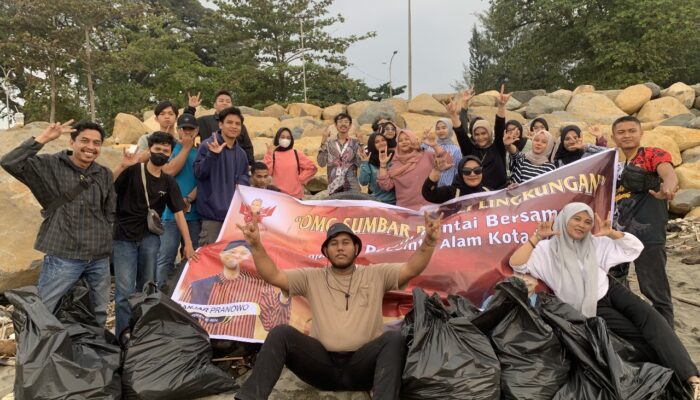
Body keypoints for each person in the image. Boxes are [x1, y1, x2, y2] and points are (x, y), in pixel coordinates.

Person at [233, 211, 443, 400]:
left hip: (363, 367)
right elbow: (273, 275)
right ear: (325, 251)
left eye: (345, 242)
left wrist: (429, 242)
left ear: (356, 248)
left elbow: (411, 269)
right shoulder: (311, 277)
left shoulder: (376, 274)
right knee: (280, 333)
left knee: (393, 339)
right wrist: (256, 246)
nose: (340, 248)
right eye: (333, 244)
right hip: (321, 367)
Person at [509, 203, 699, 397]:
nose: (582, 225)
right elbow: (517, 263)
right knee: (637, 338)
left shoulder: (594, 242)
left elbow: (634, 248)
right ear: (564, 219)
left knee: (654, 321)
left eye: (587, 222)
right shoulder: (545, 250)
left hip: (612, 290)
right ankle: (673, 377)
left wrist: (612, 234)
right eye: (576, 219)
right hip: (591, 306)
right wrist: (537, 237)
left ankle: (692, 379)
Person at [1, 120, 115, 326]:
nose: (90, 147)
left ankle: (95, 350)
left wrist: (106, 237)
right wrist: (43, 138)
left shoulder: (103, 173)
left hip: (98, 258)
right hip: (64, 255)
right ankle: (37, 353)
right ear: (72, 142)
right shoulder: (50, 165)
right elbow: (10, 162)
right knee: (44, 309)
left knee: (98, 311)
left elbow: (109, 210)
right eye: (85, 141)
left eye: (96, 143)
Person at [112, 132, 198, 338]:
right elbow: (109, 185)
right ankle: (123, 334)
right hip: (123, 237)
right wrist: (123, 165)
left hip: (149, 238)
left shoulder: (168, 182)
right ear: (149, 150)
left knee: (147, 286)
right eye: (157, 149)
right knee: (124, 290)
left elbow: (178, 213)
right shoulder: (133, 171)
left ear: (170, 154)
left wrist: (188, 243)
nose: (161, 153)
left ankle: (141, 332)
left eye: (165, 150)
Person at [608, 115, 679, 326]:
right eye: (621, 132)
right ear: (614, 137)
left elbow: (667, 171)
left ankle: (667, 335)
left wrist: (669, 186)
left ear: (641, 133)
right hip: (621, 233)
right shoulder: (616, 165)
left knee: (653, 287)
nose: (627, 135)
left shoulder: (650, 154)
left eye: (631, 130)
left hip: (648, 233)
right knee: (616, 281)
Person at [179, 240, 291, 338]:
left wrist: (284, 297)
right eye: (232, 251)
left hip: (239, 351)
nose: (236, 256)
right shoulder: (197, 286)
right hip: (201, 346)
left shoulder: (260, 286)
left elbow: (272, 325)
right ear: (221, 254)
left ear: (250, 258)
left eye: (243, 253)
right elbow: (180, 319)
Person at [155, 112, 201, 291]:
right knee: (165, 257)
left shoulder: (201, 152)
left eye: (191, 129)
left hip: (194, 213)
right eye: (184, 129)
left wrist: (189, 198)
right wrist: (186, 149)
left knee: (193, 256)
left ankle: (187, 294)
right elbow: (168, 171)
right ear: (178, 130)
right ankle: (159, 296)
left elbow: (203, 182)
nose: (187, 132)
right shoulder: (169, 150)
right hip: (169, 214)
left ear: (196, 130)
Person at [194, 106, 250, 246]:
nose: (234, 126)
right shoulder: (207, 145)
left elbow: (244, 177)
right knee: (210, 263)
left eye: (237, 124)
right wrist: (212, 155)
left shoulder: (242, 153)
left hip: (234, 217)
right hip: (212, 217)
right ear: (220, 124)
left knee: (233, 261)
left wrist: (242, 182)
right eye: (229, 122)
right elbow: (199, 173)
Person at [453, 85, 511, 190]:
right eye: (477, 134)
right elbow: (461, 133)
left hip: (499, 198)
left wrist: (501, 106)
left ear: (489, 133)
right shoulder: (470, 150)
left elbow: (499, 126)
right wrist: (459, 108)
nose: (480, 137)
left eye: (483, 133)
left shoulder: (498, 147)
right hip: (476, 198)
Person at [185, 91, 255, 165]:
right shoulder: (204, 121)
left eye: (228, 101)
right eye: (221, 101)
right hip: (210, 164)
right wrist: (191, 108)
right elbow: (186, 127)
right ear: (215, 105)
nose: (225, 103)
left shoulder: (238, 125)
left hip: (234, 165)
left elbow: (247, 147)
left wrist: (250, 164)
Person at [377, 130, 436, 210]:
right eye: (400, 140)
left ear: (413, 140)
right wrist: (383, 165)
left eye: (407, 139)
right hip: (406, 211)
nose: (404, 142)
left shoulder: (427, 155)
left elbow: (447, 162)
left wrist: (434, 145)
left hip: (430, 208)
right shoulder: (396, 164)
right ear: (397, 144)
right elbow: (386, 186)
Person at [263, 127, 317, 199]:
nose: (285, 139)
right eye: (282, 137)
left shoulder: (296, 153)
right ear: (277, 138)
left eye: (288, 138)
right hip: (277, 196)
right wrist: (269, 152)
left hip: (296, 196)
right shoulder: (272, 154)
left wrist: (300, 179)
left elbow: (312, 168)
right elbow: (267, 172)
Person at [317, 113, 361, 194]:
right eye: (340, 122)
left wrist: (361, 143)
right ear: (336, 125)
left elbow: (360, 164)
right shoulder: (329, 143)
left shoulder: (355, 143)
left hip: (352, 186)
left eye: (346, 122)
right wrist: (323, 142)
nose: (343, 124)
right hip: (334, 187)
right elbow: (321, 163)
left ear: (350, 125)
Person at [422, 155, 489, 204]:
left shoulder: (488, 192)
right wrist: (436, 171)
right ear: (460, 173)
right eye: (467, 171)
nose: (473, 174)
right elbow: (429, 194)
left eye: (477, 170)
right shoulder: (451, 193)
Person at [358, 133, 396, 204]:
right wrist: (365, 163)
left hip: (395, 202)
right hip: (377, 202)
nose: (381, 143)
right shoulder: (369, 160)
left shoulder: (394, 156)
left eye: (383, 140)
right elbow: (363, 182)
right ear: (372, 145)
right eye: (377, 142)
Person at [432, 118, 462, 187]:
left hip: (448, 187)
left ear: (449, 129)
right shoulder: (431, 147)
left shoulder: (456, 150)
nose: (441, 131)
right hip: (432, 186)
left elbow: (458, 170)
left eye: (444, 128)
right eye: (438, 128)